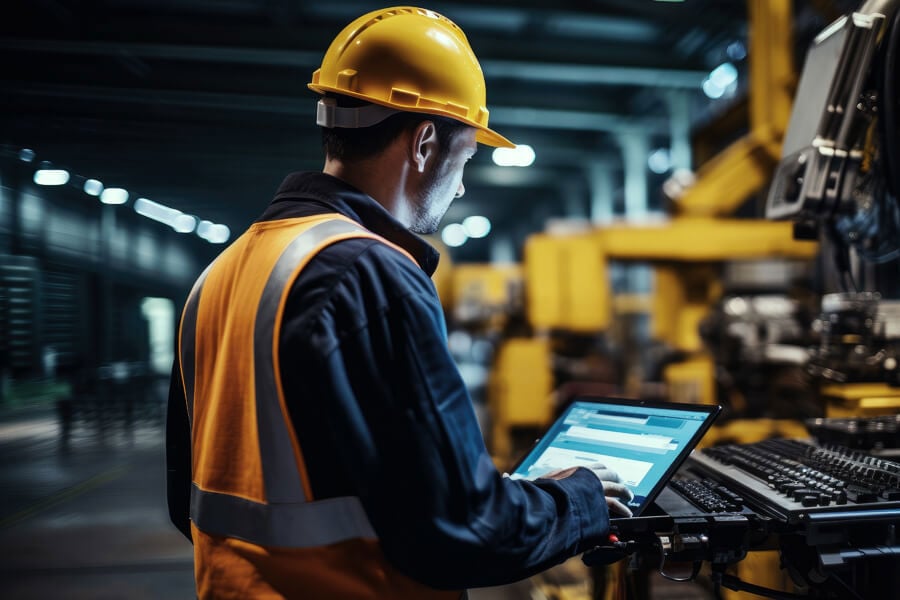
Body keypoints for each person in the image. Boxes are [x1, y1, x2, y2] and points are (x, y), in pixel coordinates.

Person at [166, 6, 633, 599]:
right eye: (466, 158)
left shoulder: (221, 274)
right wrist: (582, 496)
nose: (462, 185)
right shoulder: (372, 273)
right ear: (425, 142)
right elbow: (464, 532)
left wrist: (508, 491)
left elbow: (193, 497)